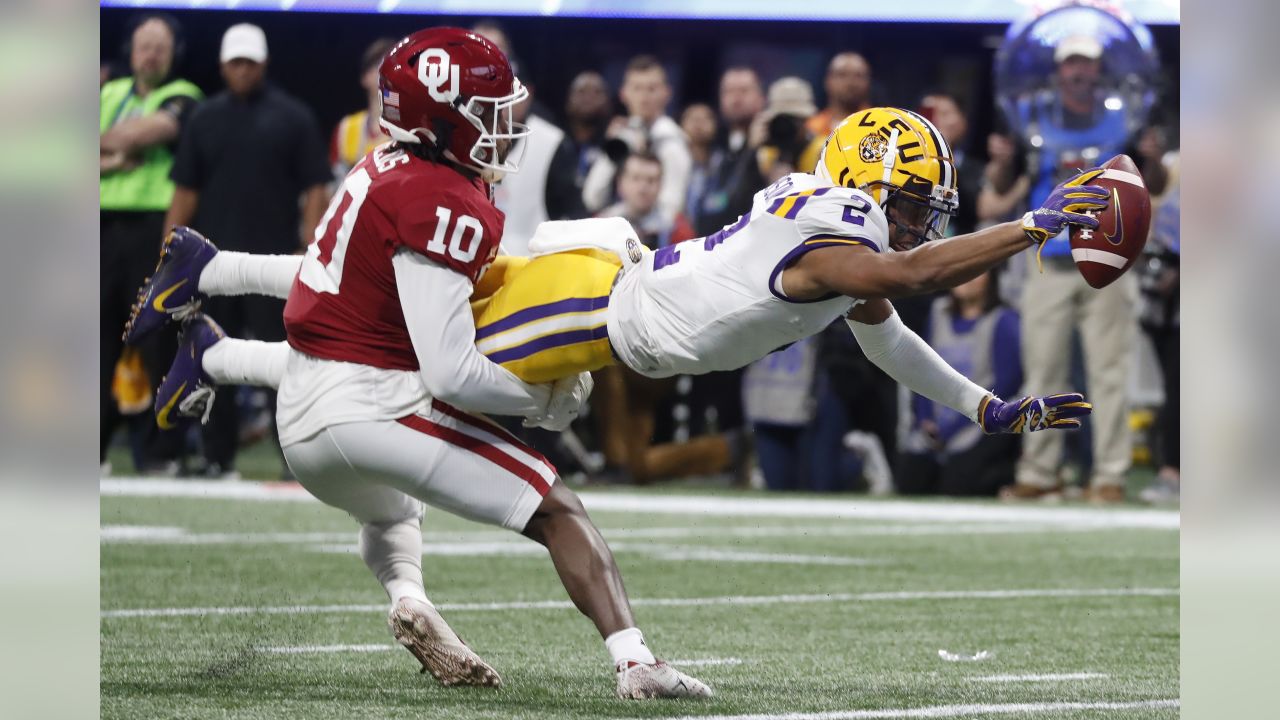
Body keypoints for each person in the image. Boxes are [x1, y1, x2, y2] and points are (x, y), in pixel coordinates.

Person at [126, 27, 711, 701]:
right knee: (556, 508)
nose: (503, 125)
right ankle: (635, 658)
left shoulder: (378, 167)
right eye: (486, 112)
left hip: (306, 420)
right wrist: (542, 403)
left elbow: (325, 283)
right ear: (442, 123)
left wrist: (220, 272)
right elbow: (452, 374)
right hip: (372, 410)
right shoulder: (442, 201)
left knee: (393, 514)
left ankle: (407, 593)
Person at [137, 108, 1107, 501]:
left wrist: (986, 406)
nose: (914, 223)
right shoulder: (840, 224)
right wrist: (1033, 225)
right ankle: (210, 292)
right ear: (863, 183)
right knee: (402, 370)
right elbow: (909, 281)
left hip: (609, 291)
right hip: (597, 302)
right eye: (908, 204)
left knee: (393, 350)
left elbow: (888, 332)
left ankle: (213, 316)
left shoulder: (834, 239)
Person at [982, 34, 1168, 502]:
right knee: (1042, 369)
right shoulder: (1032, 117)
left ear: (1098, 68)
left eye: (1087, 62)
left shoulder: (1124, 116)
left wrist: (1152, 154)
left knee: (1109, 372)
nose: (1078, 71)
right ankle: (1040, 471)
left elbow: (1156, 181)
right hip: (1050, 257)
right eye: (1071, 63)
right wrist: (1003, 160)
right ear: (1059, 70)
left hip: (1110, 258)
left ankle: (1109, 474)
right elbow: (1008, 179)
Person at [163, 23, 332, 477]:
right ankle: (217, 457)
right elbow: (185, 189)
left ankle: (298, 461)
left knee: (288, 361)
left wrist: (309, 242)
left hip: (273, 263)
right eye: (235, 62)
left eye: (249, 62)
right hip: (214, 265)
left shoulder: (292, 116)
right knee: (213, 355)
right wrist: (170, 250)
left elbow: (316, 184)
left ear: (264, 64)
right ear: (222, 65)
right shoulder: (204, 118)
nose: (242, 70)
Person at [100, 13, 203, 472]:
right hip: (98, 227)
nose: (152, 54)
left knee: (156, 341)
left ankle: (163, 454)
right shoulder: (107, 94)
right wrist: (112, 158)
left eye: (161, 46)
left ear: (174, 54)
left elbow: (153, 131)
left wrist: (117, 149)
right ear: (131, 50)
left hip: (150, 228)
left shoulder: (182, 96)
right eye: (145, 45)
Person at [897, 270, 1023, 496]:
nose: (966, 277)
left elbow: (1006, 385)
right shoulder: (938, 313)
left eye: (977, 272)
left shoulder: (1003, 319)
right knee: (910, 480)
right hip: (934, 425)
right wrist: (925, 420)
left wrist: (949, 429)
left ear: (991, 280)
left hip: (976, 422)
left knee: (957, 483)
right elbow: (921, 369)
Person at [581, 55, 692, 225]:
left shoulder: (673, 141)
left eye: (652, 88)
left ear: (666, 93)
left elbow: (672, 209)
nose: (644, 96)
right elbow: (593, 197)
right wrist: (614, 147)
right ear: (623, 94)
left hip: (660, 239)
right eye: (637, 88)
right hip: (618, 232)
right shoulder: (621, 135)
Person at [688, 67, 765, 236]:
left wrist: (753, 151)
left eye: (744, 91)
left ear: (760, 98)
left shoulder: (771, 141)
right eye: (729, 92)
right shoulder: (714, 143)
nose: (736, 99)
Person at [330, 37, 398, 180]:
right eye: (380, 64)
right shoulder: (346, 128)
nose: (387, 72)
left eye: (393, 65)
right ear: (364, 77)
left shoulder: (409, 130)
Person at [598, 151, 695, 248]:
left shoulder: (677, 228)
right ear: (620, 183)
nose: (643, 188)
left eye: (651, 180)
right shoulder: (601, 225)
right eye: (636, 178)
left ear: (660, 185)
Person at [798, 52, 872, 171]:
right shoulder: (811, 128)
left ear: (868, 82)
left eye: (858, 76)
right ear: (828, 81)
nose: (851, 82)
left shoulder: (879, 127)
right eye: (842, 75)